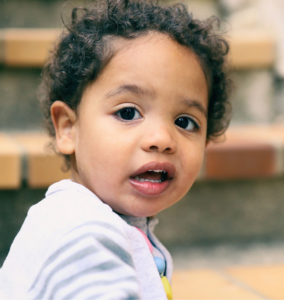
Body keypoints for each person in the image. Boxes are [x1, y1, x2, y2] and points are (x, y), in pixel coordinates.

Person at [0, 0, 232, 299]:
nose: (162, 139)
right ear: (68, 128)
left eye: (184, 121)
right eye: (128, 113)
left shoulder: (108, 223)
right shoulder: (82, 233)